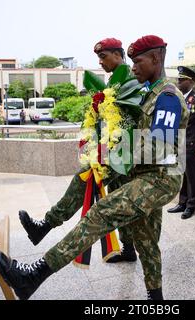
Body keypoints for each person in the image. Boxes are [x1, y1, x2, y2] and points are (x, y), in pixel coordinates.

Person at [0, 35, 189, 300]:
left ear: (155, 59)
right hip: (146, 175)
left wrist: (113, 154)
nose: (133, 68)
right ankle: (156, 300)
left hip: (160, 179)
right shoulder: (151, 92)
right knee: (147, 240)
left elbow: (160, 146)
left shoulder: (167, 97)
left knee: (101, 213)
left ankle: (33, 276)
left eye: (138, 61)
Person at [17, 38, 138, 265]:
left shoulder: (129, 80)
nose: (100, 62)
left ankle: (45, 225)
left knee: (83, 179)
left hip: (122, 152)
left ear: (118, 55)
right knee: (119, 201)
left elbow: (126, 120)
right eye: (98, 58)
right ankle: (129, 249)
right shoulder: (115, 81)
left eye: (104, 57)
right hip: (115, 150)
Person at [167, 66, 195, 220]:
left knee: (192, 177)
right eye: (178, 79)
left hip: (192, 146)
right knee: (183, 176)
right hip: (178, 144)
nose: (178, 82)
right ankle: (182, 203)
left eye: (182, 79)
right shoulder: (178, 98)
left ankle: (190, 206)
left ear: (191, 81)